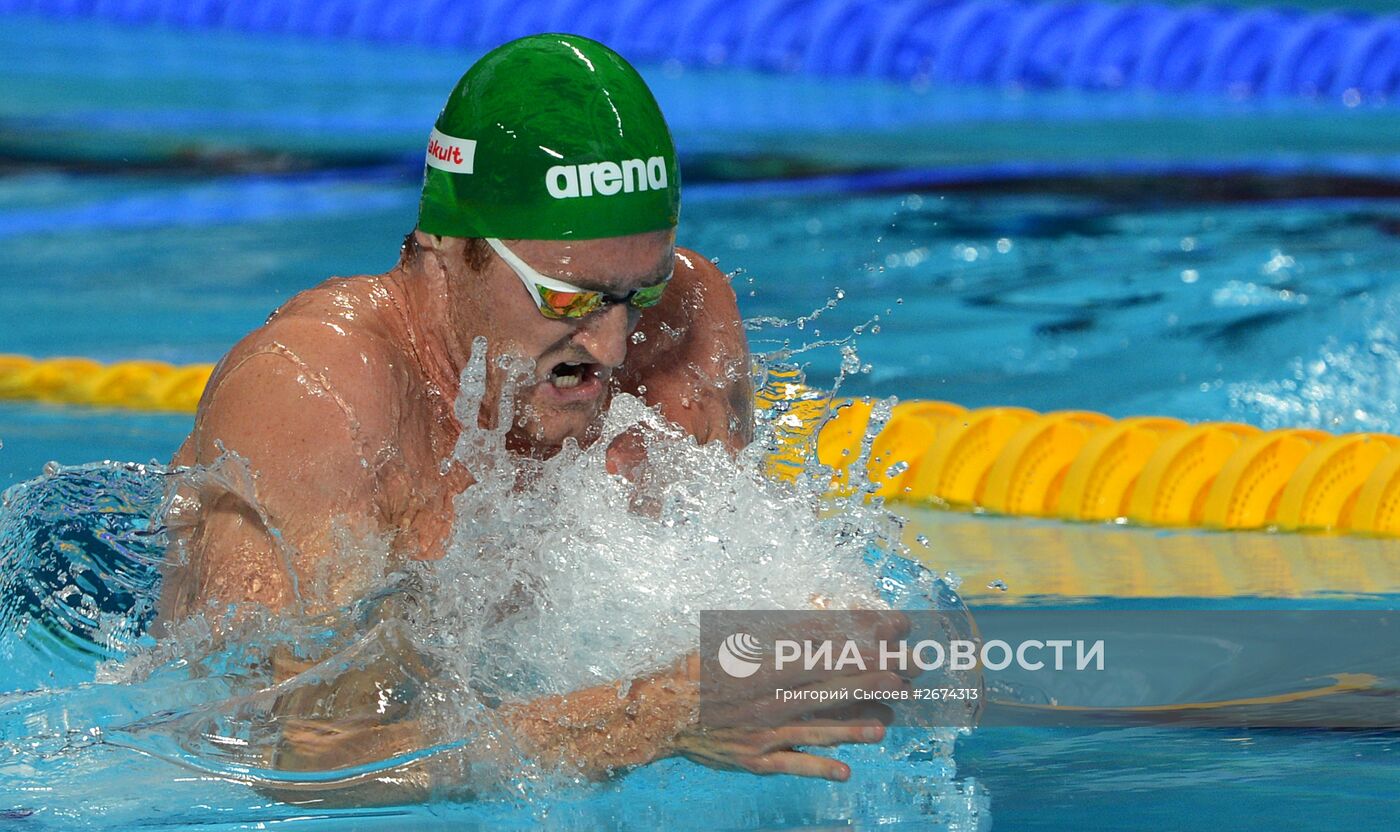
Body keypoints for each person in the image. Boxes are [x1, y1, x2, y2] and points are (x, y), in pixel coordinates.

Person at [156, 34, 901, 803]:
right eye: (569, 297)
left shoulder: (681, 323)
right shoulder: (322, 396)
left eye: (636, 292)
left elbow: (731, 582)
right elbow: (313, 762)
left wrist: (826, 630)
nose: (612, 346)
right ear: (449, 251)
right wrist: (656, 718)